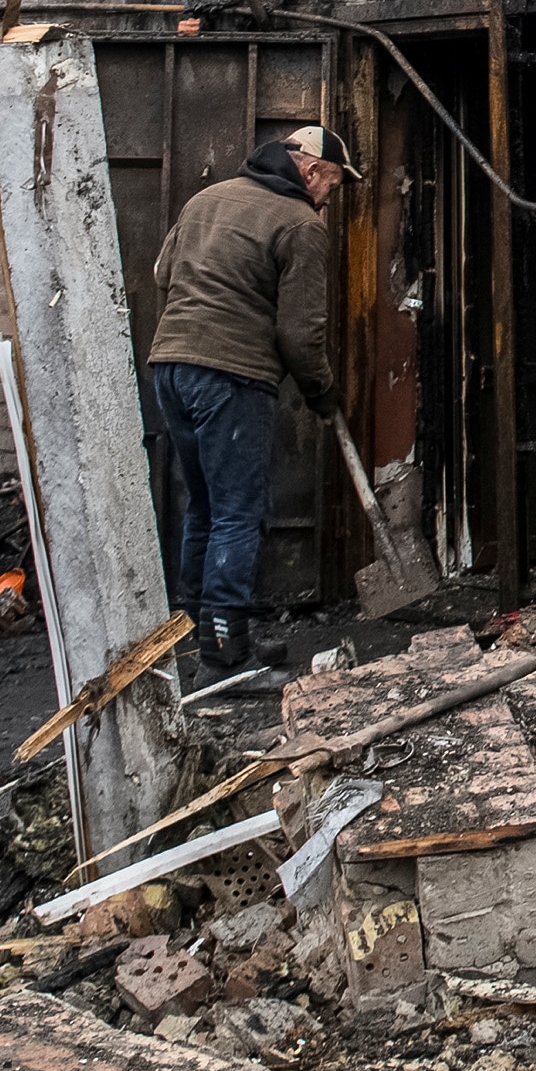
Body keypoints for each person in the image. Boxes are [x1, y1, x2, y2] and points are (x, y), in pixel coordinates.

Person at [146, 125, 354, 680]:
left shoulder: (206, 199)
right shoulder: (301, 225)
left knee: (206, 508)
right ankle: (227, 658)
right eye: (332, 183)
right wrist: (322, 391)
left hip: (170, 366)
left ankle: (197, 646)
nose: (331, 197)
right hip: (231, 377)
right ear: (310, 171)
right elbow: (300, 334)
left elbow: (161, 275)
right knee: (239, 514)